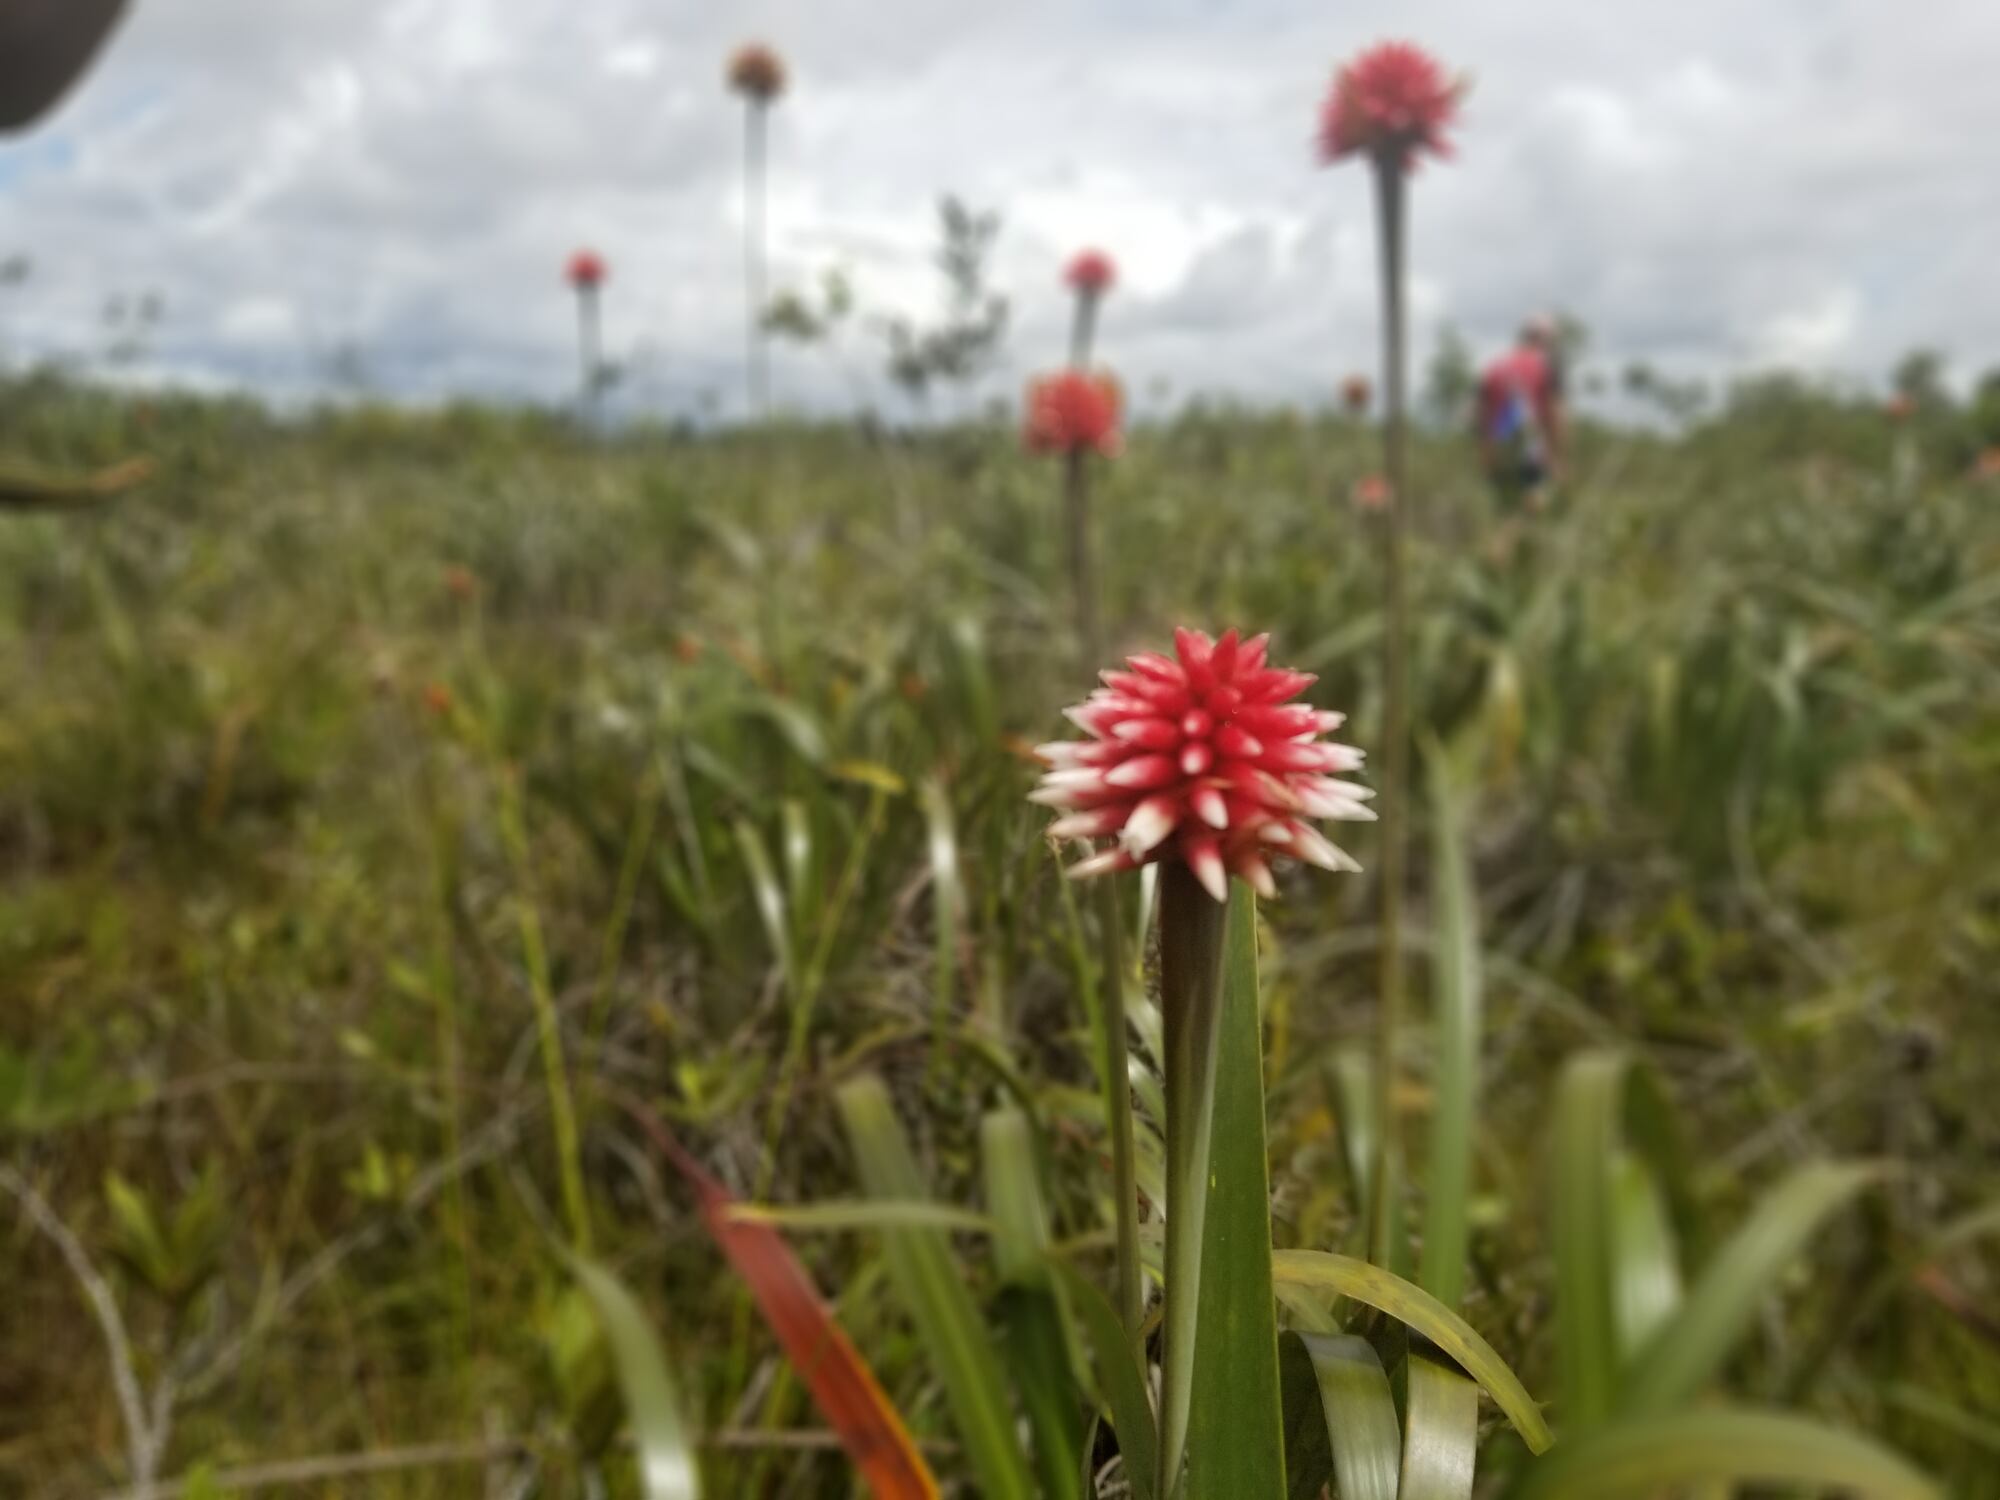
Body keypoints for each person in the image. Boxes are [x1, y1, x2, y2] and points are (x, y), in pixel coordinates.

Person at [1475, 316, 1567, 511]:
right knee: (1534, 509)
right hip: (1529, 451)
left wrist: (1486, 457)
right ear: (1545, 341)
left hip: (1499, 449)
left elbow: (1482, 416)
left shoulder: (1496, 366)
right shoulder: (1544, 367)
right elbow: (1555, 416)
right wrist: (1557, 458)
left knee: (1504, 507)